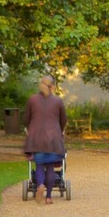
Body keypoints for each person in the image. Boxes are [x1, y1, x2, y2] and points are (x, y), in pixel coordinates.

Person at [23, 74, 67, 205]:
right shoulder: (58, 101)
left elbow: (26, 119)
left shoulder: (32, 99)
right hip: (53, 139)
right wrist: (60, 130)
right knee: (51, 167)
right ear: (53, 86)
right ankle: (48, 197)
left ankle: (40, 184)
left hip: (37, 139)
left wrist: (30, 128)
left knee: (40, 166)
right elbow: (63, 120)